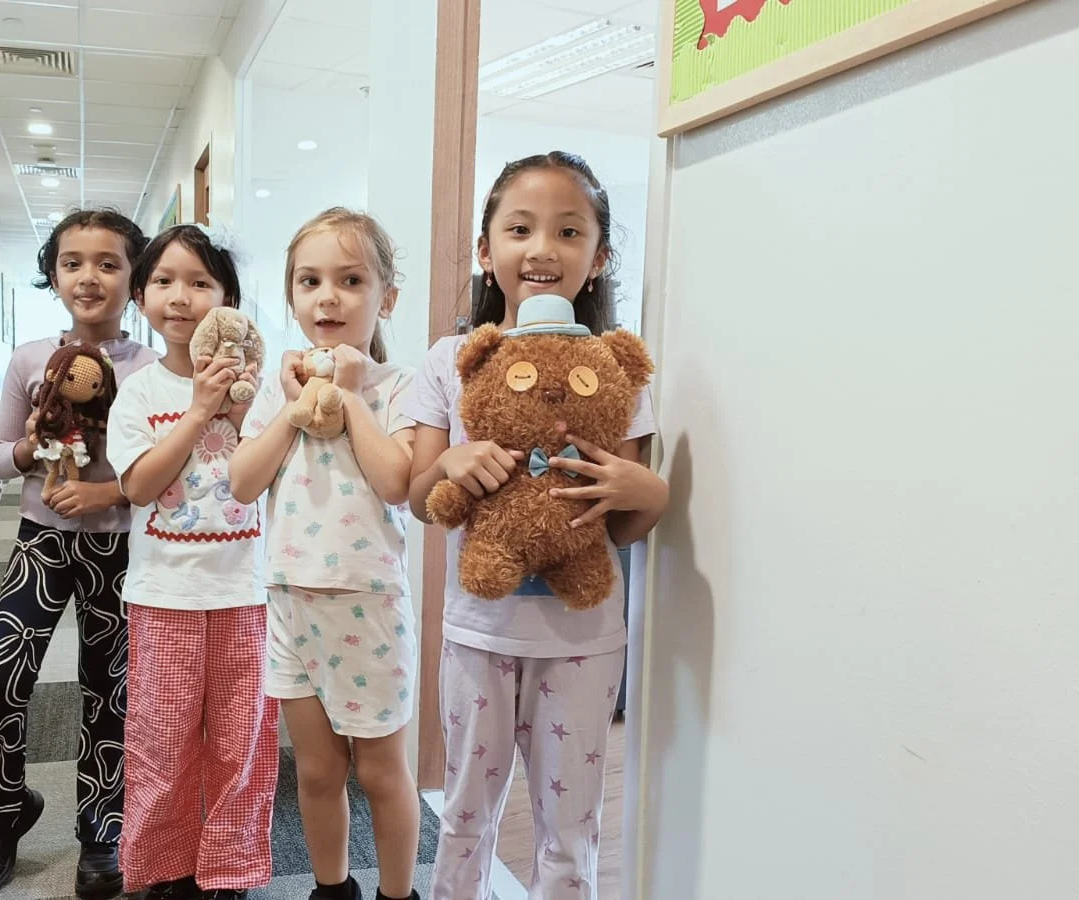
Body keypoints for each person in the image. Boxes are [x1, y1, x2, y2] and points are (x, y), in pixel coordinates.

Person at [404, 152, 669, 900]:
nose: (543, 249)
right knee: (462, 817)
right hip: (478, 633)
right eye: (520, 229)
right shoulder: (453, 359)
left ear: (600, 254)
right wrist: (453, 463)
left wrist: (646, 488)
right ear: (487, 252)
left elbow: (624, 530)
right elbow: (422, 499)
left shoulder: (616, 373)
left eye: (568, 230)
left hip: (584, 641)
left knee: (571, 827)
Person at [0, 209, 156, 900]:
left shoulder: (152, 368)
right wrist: (29, 444)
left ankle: (102, 831)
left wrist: (109, 496)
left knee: (111, 691)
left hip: (121, 547)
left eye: (109, 263)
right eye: (73, 263)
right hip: (41, 541)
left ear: (135, 278)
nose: (89, 277)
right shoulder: (28, 358)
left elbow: (166, 477)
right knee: (4, 679)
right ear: (53, 273)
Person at [229, 209, 422, 900]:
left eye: (350, 279)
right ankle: (330, 887)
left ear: (385, 297)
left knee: (379, 771)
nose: (327, 297)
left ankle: (400, 892)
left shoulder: (400, 386)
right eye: (309, 281)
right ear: (292, 296)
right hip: (289, 602)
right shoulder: (275, 392)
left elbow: (397, 481)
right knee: (315, 771)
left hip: (368, 606)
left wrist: (350, 392)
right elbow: (243, 482)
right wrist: (290, 405)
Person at [105, 224, 277, 900]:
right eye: (165, 282)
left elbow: (268, 475)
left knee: (243, 744)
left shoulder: (262, 391)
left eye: (201, 282)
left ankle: (230, 870)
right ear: (142, 296)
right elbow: (139, 486)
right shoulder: (140, 392)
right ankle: (166, 867)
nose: (183, 297)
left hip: (245, 593)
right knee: (162, 741)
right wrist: (200, 408)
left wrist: (238, 407)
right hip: (163, 596)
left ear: (228, 299)